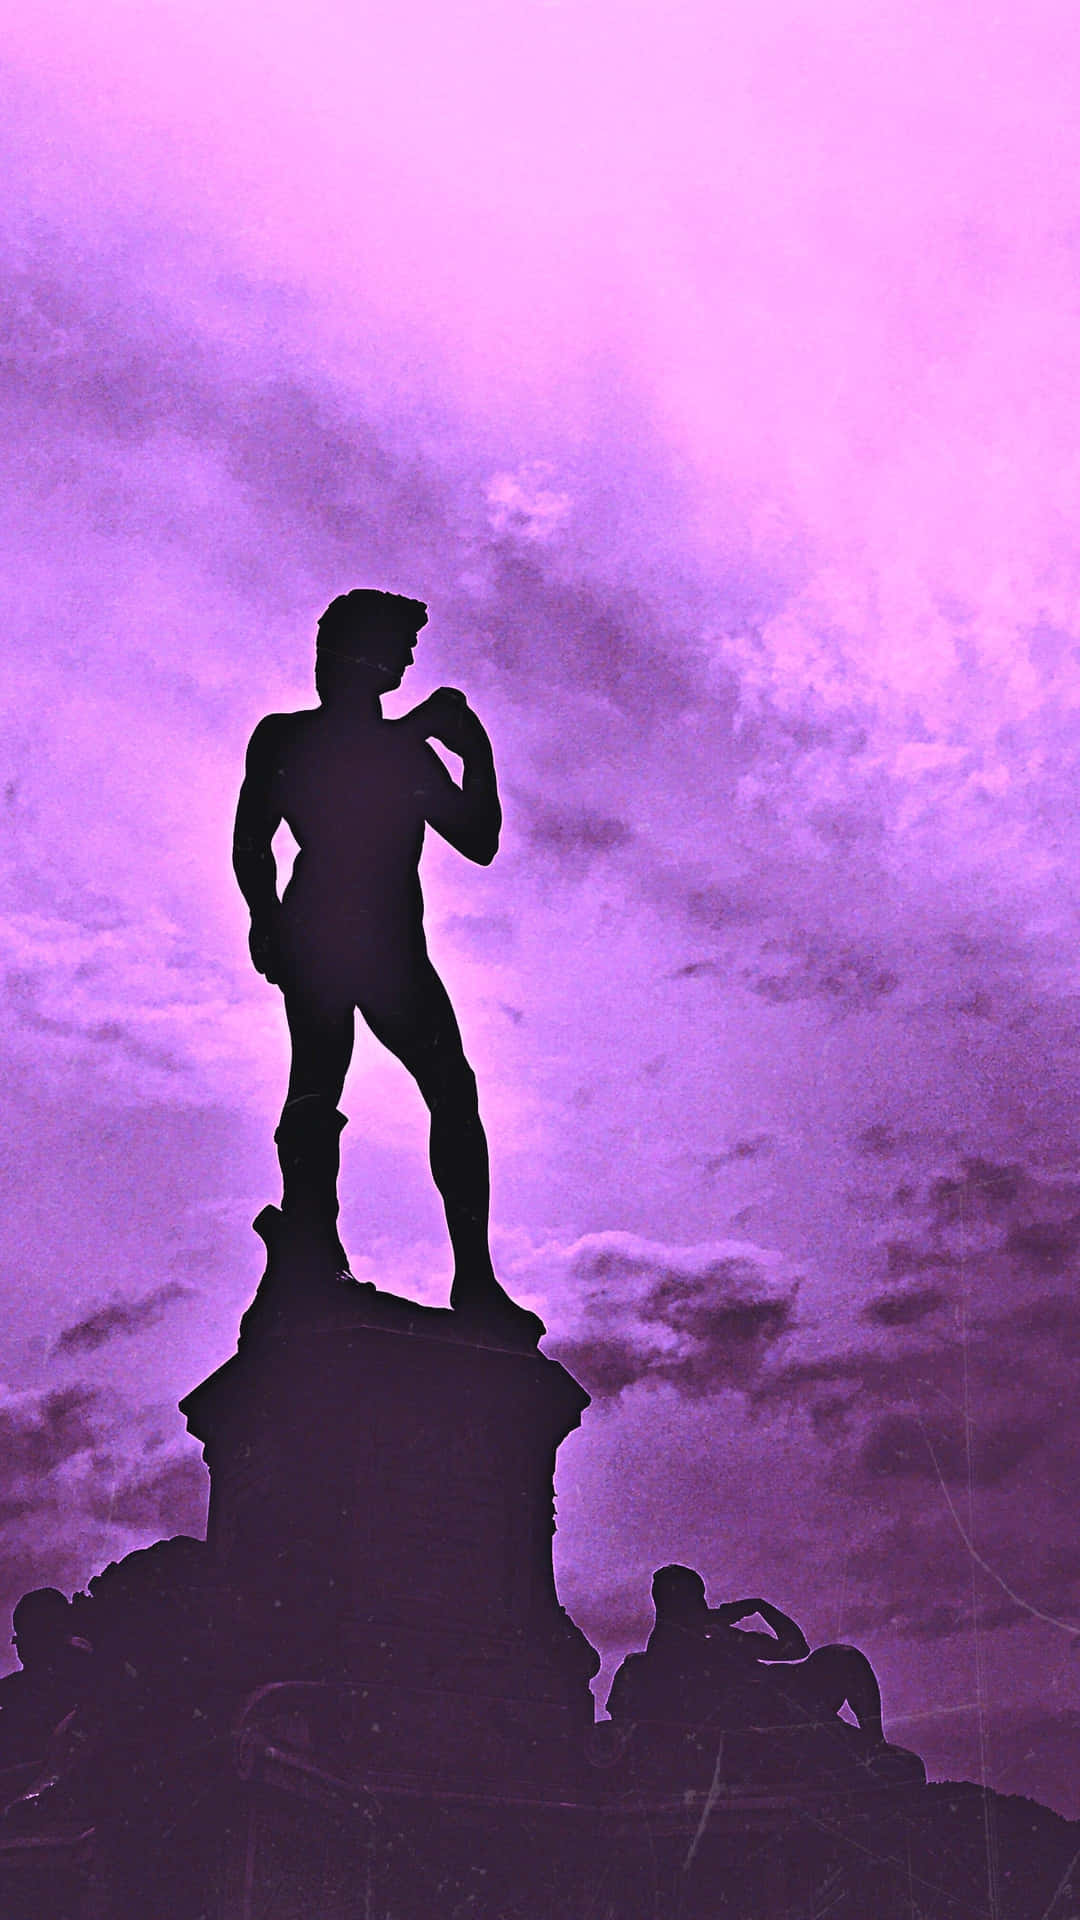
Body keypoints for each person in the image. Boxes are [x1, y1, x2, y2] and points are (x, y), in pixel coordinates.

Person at [233, 588, 542, 1345]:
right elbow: (254, 837)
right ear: (358, 653)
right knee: (321, 1080)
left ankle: (473, 1277)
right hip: (328, 933)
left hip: (387, 941)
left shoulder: (402, 747)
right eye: (398, 644)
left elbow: (478, 839)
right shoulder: (293, 737)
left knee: (442, 1090)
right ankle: (315, 1249)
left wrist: (475, 753)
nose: (407, 658)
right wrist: (263, 918)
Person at [606, 1564, 885, 1744]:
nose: (701, 1603)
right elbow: (669, 1638)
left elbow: (797, 1648)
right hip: (763, 1710)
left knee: (844, 1657)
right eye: (692, 1598)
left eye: (700, 1596)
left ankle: (875, 1744)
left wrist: (760, 1607)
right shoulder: (665, 1646)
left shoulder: (724, 1636)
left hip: (787, 1690)